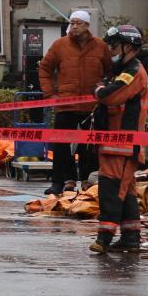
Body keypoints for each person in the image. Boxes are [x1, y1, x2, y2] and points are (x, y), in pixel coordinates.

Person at [91, 25, 148, 254]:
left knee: (112, 189)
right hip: (115, 143)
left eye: (114, 45)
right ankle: (131, 237)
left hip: (123, 144)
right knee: (126, 192)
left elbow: (109, 95)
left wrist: (98, 89)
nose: (110, 50)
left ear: (128, 46)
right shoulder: (120, 69)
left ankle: (104, 237)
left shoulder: (133, 71)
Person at [38, 10, 111, 196]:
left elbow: (111, 71)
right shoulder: (59, 45)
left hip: (92, 107)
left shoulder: (100, 46)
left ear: (87, 25)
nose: (75, 26)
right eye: (72, 22)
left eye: (79, 23)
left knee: (89, 147)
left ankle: (88, 180)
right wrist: (50, 94)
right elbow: (45, 69)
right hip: (66, 105)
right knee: (61, 146)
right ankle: (60, 181)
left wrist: (104, 87)